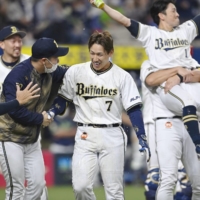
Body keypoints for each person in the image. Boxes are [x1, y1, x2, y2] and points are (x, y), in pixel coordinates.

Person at [88, 0, 200, 159]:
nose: (178, 14)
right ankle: (198, 144)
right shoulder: (150, 33)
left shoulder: (186, 29)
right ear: (161, 15)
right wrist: (103, 6)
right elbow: (123, 19)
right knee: (187, 103)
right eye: (173, 11)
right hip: (167, 83)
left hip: (188, 78)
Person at [48, 30, 150, 200]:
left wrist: (141, 134)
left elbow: (133, 108)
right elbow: (62, 99)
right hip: (85, 133)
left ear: (110, 53)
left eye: (100, 54)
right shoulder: (76, 71)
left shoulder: (122, 76)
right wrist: (52, 111)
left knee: (114, 191)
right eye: (92, 53)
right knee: (80, 187)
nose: (95, 58)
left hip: (112, 134)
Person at [0, 37, 69, 199]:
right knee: (16, 188)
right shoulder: (16, 77)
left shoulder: (49, 70)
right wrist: (40, 119)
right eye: (55, 57)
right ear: (44, 60)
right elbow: (14, 112)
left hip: (31, 139)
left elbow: (69, 71)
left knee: (38, 186)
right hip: (10, 138)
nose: (58, 61)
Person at [0, 25, 48, 199]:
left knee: (39, 187)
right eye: (12, 40)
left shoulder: (31, 62)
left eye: (20, 40)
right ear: (1, 44)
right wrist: (17, 102)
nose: (17, 44)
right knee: (16, 188)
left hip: (32, 134)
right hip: (7, 136)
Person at [140, 60, 200, 200]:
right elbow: (151, 80)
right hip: (163, 123)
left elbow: (196, 74)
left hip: (191, 123)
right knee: (162, 180)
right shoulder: (150, 62)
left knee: (193, 185)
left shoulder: (191, 61)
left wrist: (179, 76)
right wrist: (178, 70)